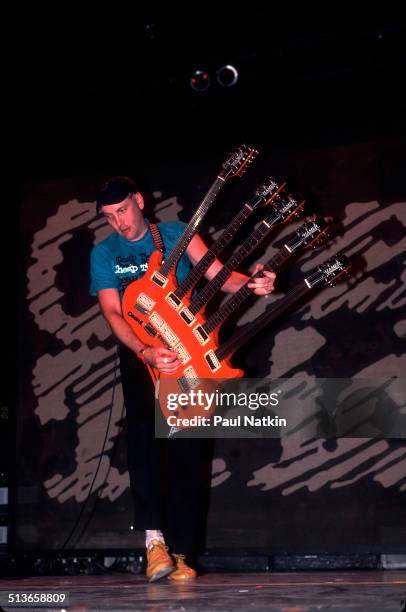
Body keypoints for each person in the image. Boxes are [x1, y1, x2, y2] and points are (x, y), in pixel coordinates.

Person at [89, 175, 275, 582]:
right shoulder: (104, 254)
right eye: (109, 217)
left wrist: (254, 283)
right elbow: (113, 314)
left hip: (190, 350)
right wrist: (144, 350)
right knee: (145, 440)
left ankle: (182, 552)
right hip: (143, 355)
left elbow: (221, 276)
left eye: (122, 210)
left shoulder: (175, 234)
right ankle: (154, 542)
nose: (119, 223)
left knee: (188, 451)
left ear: (138, 200)